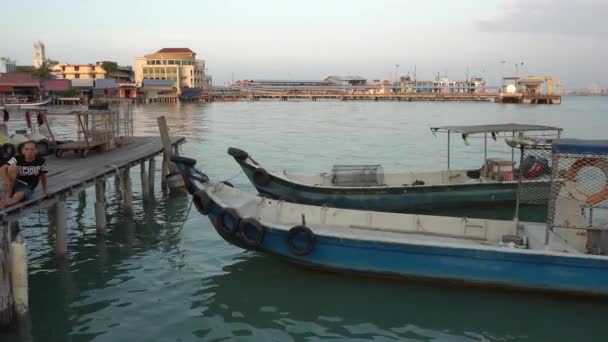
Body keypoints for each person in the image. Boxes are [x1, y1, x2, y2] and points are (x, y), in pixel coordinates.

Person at [0, 141, 48, 208]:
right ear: (23, 150)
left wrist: (45, 191)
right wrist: (6, 180)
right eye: (26, 149)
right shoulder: (17, 158)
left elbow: (43, 176)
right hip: (13, 183)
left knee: (17, 196)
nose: (29, 151)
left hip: (27, 186)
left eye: (32, 149)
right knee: (12, 167)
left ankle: (5, 203)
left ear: (36, 151)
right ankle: (8, 195)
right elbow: (2, 168)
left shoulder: (41, 161)